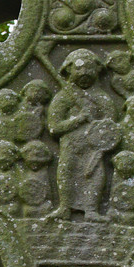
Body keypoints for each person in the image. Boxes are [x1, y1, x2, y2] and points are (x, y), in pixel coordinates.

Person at [49, 51, 119, 217]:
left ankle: (91, 209)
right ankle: (65, 207)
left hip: (94, 147)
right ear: (69, 70)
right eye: (79, 69)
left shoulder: (101, 97)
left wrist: (98, 125)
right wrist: (78, 119)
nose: (84, 74)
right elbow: (54, 127)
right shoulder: (64, 97)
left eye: (89, 69)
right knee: (67, 171)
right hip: (70, 145)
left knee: (95, 174)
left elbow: (111, 125)